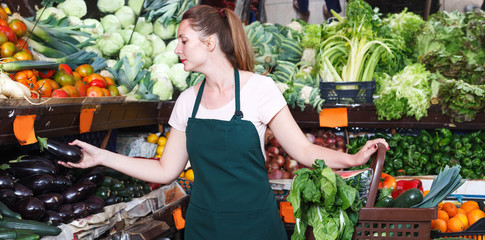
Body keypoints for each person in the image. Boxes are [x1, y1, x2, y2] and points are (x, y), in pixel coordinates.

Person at [59, 5, 389, 239]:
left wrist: (353, 158)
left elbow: (302, 150)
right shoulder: (187, 101)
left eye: (183, 40)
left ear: (210, 42)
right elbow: (164, 170)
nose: (177, 49)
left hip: (256, 226)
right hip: (203, 226)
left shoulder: (260, 88)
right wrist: (101, 157)